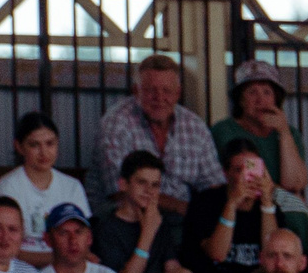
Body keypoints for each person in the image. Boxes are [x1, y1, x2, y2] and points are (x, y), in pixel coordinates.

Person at [92, 53, 223, 211]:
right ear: (136, 91)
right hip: (125, 215)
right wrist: (183, 208)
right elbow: (119, 190)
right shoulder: (116, 124)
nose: (159, 97)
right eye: (150, 90)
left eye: (167, 91)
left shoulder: (195, 127)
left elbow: (213, 183)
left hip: (184, 217)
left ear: (178, 93)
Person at [93, 147, 203, 273]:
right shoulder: (107, 227)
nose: (149, 191)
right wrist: (148, 232)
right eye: (141, 182)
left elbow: (172, 266)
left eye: (155, 185)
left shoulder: (158, 220)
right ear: (123, 184)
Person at [183, 142, 308, 273]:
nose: (247, 176)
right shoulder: (206, 202)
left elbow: (272, 249)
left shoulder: (271, 208)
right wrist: (232, 204)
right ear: (226, 173)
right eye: (238, 170)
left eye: (252, 169)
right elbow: (217, 254)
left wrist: (267, 203)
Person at [208, 60, 308, 199]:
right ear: (241, 100)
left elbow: (294, 184)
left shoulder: (289, 133)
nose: (260, 100)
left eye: (267, 93)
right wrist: (281, 192)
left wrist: (284, 133)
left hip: (277, 200)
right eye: (252, 92)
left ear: (276, 100)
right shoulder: (224, 131)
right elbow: (244, 181)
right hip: (240, 200)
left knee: (297, 201)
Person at [0, 112, 92, 259]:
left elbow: (84, 239)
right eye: (34, 145)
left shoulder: (72, 186)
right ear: (19, 147)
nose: (44, 152)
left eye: (50, 144)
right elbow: (4, 246)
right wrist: (58, 259)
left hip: (66, 267)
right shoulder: (7, 187)